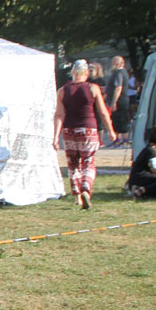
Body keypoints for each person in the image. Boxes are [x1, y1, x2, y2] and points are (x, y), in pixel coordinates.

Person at [54, 59, 117, 209]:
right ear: (86, 72)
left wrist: (56, 136)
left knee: (73, 163)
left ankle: (76, 195)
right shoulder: (93, 88)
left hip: (69, 130)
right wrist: (110, 130)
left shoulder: (63, 90)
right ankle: (86, 189)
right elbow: (102, 111)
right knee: (88, 161)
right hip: (88, 129)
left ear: (73, 72)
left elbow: (59, 115)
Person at [105, 56, 131, 146]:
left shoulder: (119, 73)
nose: (112, 64)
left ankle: (125, 140)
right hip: (120, 100)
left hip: (120, 100)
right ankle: (118, 139)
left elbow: (118, 87)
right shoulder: (120, 72)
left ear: (119, 63)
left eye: (114, 63)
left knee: (122, 119)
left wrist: (114, 101)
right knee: (116, 119)